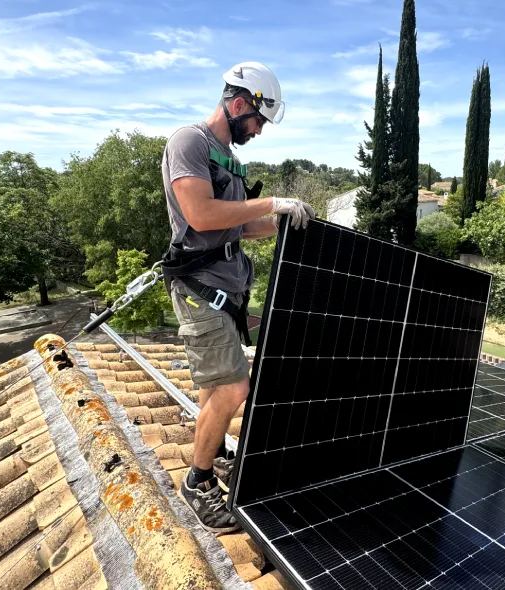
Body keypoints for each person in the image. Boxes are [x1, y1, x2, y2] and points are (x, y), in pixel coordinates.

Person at [161, 62, 315, 533]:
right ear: (238, 103)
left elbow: (238, 224)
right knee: (233, 389)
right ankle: (197, 483)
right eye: (258, 121)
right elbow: (202, 214)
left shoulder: (229, 158)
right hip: (199, 288)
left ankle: (216, 452)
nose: (259, 131)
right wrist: (270, 202)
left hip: (228, 289)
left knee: (215, 388)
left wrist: (283, 221)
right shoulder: (188, 142)